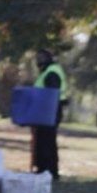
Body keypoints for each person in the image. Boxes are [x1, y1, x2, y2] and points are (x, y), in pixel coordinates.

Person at [31, 49, 67, 180]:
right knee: (42, 140)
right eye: (37, 57)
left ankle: (49, 170)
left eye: (41, 57)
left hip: (50, 110)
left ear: (49, 58)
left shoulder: (52, 72)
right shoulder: (46, 72)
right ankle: (42, 168)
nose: (38, 60)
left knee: (47, 141)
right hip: (44, 111)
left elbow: (51, 93)